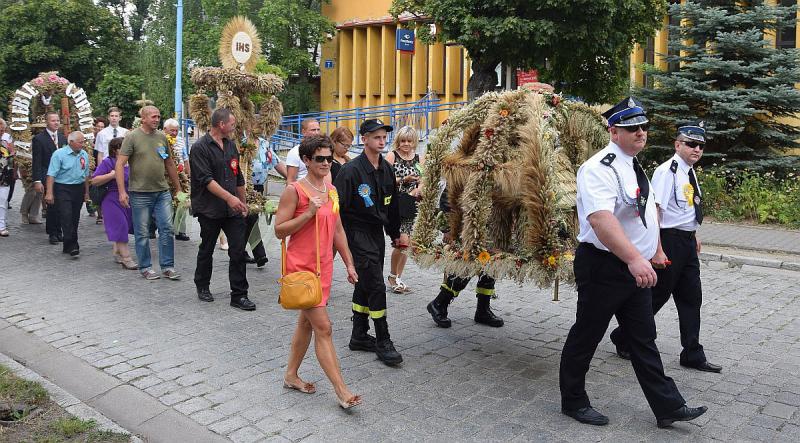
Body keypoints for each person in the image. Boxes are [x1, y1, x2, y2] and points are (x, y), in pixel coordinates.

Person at [559, 97, 707, 428]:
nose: (641, 132)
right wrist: (634, 259)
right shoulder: (599, 168)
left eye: (643, 127)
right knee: (587, 334)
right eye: (632, 128)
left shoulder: (633, 164)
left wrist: (654, 249)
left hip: (635, 264)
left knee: (643, 338)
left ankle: (667, 406)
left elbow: (648, 213)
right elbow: (601, 220)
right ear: (614, 132)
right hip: (605, 265)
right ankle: (573, 400)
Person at [610, 121, 721, 373]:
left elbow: (686, 208)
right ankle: (623, 336)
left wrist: (693, 234)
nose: (697, 149)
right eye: (691, 144)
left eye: (701, 146)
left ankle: (692, 352)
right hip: (668, 241)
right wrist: (657, 249)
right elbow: (655, 212)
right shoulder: (666, 171)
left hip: (686, 242)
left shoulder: (688, 172)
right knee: (657, 296)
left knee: (692, 297)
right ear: (677, 145)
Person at [274, 135, 362, 409]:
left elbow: (338, 230)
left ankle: (291, 375)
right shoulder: (295, 191)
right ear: (306, 160)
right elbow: (279, 231)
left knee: (305, 324)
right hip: (301, 269)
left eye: (329, 158)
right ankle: (342, 390)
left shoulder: (331, 189)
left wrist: (348, 263)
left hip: (323, 268)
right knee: (323, 327)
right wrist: (308, 214)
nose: (326, 163)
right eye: (320, 159)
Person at [333, 118, 403, 366]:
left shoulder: (386, 169)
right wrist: (339, 242)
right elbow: (336, 209)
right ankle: (383, 339)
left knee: (365, 282)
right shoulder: (350, 171)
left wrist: (395, 233)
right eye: (376, 137)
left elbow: (392, 205)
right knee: (375, 284)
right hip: (356, 232)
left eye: (384, 137)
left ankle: (359, 335)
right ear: (364, 140)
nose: (382, 141)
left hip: (376, 233)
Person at [190, 108, 256, 311]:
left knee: (238, 250)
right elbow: (206, 180)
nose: (235, 127)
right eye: (232, 124)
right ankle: (202, 284)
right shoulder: (200, 148)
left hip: (232, 210)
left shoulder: (230, 145)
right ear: (221, 124)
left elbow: (238, 176)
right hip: (209, 208)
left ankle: (239, 295)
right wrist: (230, 198)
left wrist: (242, 202)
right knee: (207, 248)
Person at [116, 105, 182, 281]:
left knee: (167, 229)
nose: (157, 119)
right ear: (143, 118)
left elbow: (169, 163)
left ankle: (167, 266)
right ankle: (145, 267)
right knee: (142, 232)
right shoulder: (132, 137)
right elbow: (120, 164)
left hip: (162, 191)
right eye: (153, 116)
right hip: (140, 193)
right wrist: (122, 192)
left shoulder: (161, 137)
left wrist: (178, 188)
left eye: (158, 117)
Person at [426, 185, 504, 328]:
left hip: (490, 229)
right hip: (466, 228)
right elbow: (447, 198)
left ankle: (483, 310)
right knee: (465, 267)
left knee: (490, 267)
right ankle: (439, 304)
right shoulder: (465, 171)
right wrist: (447, 229)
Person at [384, 125, 424, 293]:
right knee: (402, 242)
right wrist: (403, 180)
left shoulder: (419, 158)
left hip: (412, 204)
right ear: (398, 141)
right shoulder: (392, 156)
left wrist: (418, 190)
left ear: (414, 141)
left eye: (409, 141)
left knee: (407, 246)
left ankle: (398, 278)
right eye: (402, 141)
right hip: (396, 204)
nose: (406, 144)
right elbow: (384, 180)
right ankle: (393, 276)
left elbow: (424, 179)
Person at [91, 137, 137, 269]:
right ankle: (126, 258)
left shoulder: (132, 162)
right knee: (120, 225)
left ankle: (117, 252)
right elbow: (94, 180)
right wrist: (111, 175)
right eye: (123, 147)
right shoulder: (109, 162)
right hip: (112, 199)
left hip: (129, 198)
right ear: (115, 150)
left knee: (125, 225)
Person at [43, 131, 90, 256]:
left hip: (78, 188)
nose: (82, 144)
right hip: (62, 188)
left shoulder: (84, 154)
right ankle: (73, 244)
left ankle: (67, 245)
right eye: (80, 142)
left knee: (75, 217)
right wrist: (49, 193)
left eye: (83, 142)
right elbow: (51, 174)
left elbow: (86, 175)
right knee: (66, 215)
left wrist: (86, 193)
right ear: (71, 142)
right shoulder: (59, 154)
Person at [246, 136, 287, 268]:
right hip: (244, 186)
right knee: (250, 219)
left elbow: (276, 162)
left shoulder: (264, 143)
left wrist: (291, 178)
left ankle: (239, 251)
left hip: (258, 188)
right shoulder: (241, 141)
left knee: (250, 220)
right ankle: (259, 254)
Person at [32, 112, 67, 242]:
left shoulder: (62, 138)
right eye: (53, 120)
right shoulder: (39, 139)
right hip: (47, 175)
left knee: (61, 205)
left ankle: (59, 230)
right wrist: (37, 180)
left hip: (62, 177)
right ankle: (52, 232)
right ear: (47, 122)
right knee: (52, 204)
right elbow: (37, 161)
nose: (56, 123)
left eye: (58, 120)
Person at [163, 118, 190, 242]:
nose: (174, 133)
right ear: (165, 130)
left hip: (180, 176)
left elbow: (185, 158)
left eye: (176, 130)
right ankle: (165, 229)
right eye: (172, 130)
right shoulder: (160, 140)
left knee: (182, 202)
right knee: (166, 204)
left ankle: (180, 230)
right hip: (165, 177)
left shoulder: (180, 140)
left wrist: (187, 174)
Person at [285, 118, 321, 184]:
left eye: (318, 129)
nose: (316, 133)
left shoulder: (323, 150)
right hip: (302, 188)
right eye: (313, 130)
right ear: (304, 132)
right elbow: (290, 180)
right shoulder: (295, 152)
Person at [89, 117, 109, 223]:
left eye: (102, 127)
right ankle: (99, 215)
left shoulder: (106, 138)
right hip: (94, 167)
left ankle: (104, 213)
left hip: (104, 167)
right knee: (96, 191)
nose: (100, 129)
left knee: (104, 191)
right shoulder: (90, 139)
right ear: (95, 127)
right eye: (98, 127)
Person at [1, 119, 16, 210]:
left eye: (3, 130)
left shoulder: (7, 137)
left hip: (6, 164)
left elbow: (12, 151)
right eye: (0, 130)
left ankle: (7, 200)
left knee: (9, 183)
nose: (1, 132)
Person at [0, 136, 14, 237]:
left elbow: (10, 161)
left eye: (2, 130)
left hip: (4, 178)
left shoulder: (6, 143)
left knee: (3, 203)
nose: (1, 132)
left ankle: (1, 226)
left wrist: (12, 153)